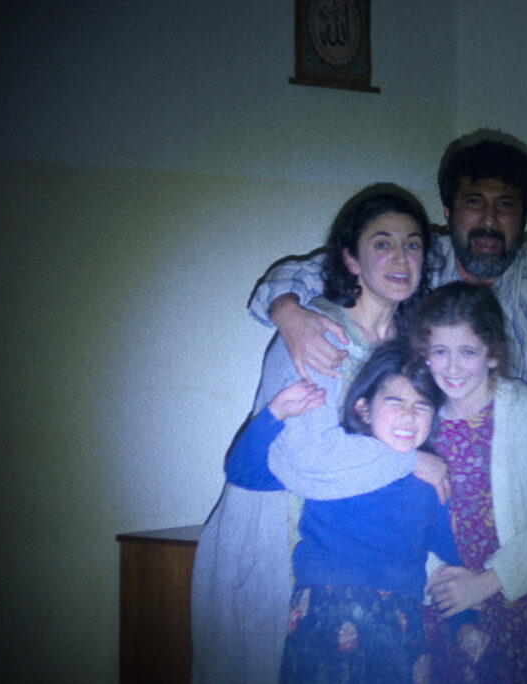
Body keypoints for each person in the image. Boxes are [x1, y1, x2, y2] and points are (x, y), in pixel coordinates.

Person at [190, 187, 445, 683]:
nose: (401, 257)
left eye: (413, 245)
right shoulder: (315, 332)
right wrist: (412, 461)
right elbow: (304, 462)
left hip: (378, 575)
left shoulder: (413, 349)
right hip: (284, 550)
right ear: (351, 259)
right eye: (383, 243)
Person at [249, 77, 527, 428]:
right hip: (426, 456)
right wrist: (289, 314)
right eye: (474, 202)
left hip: (525, 459)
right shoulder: (422, 261)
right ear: (448, 211)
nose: (489, 220)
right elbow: (316, 271)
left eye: (505, 205)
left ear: (525, 215)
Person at [248, 340, 487, 683]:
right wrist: (273, 415)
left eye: (421, 405)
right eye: (395, 401)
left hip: (400, 620)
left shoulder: (432, 479)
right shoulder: (332, 465)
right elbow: (245, 472)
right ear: (363, 410)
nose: (409, 414)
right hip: (325, 608)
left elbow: (448, 560)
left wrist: (464, 624)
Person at [409, 282, 527, 682]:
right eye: (440, 351)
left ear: (492, 353)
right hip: (450, 609)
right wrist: (442, 582)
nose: (452, 367)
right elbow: (404, 516)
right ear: (425, 354)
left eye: (467, 352)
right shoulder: (416, 418)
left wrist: (488, 582)